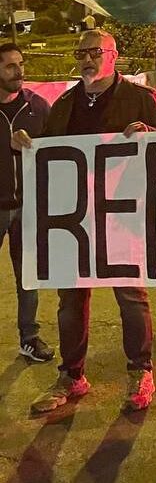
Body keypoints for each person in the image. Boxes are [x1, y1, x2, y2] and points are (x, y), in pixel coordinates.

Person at [14, 30, 156, 414]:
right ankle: (72, 375)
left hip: (123, 216)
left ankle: (140, 371)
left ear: (113, 55)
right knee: (71, 298)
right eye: (82, 52)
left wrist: (150, 133)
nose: (87, 58)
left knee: (130, 295)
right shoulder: (67, 103)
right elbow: (49, 154)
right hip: (76, 219)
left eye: (94, 52)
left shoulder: (140, 98)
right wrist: (28, 144)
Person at [0, 43, 54, 364]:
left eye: (20, 64)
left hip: (28, 209)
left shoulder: (39, 107)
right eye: (9, 66)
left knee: (28, 277)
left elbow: (60, 147)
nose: (19, 70)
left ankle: (29, 337)